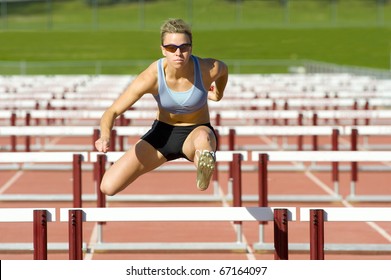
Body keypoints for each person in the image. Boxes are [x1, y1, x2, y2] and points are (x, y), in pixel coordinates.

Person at [95, 18, 228, 196]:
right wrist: (104, 136)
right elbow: (112, 111)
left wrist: (217, 94)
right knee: (108, 187)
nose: (178, 53)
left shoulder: (205, 69)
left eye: (184, 47)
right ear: (163, 50)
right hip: (162, 135)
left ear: (191, 48)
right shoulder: (152, 76)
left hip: (196, 131)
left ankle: (203, 166)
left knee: (204, 139)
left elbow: (223, 70)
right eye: (171, 48)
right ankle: (203, 160)